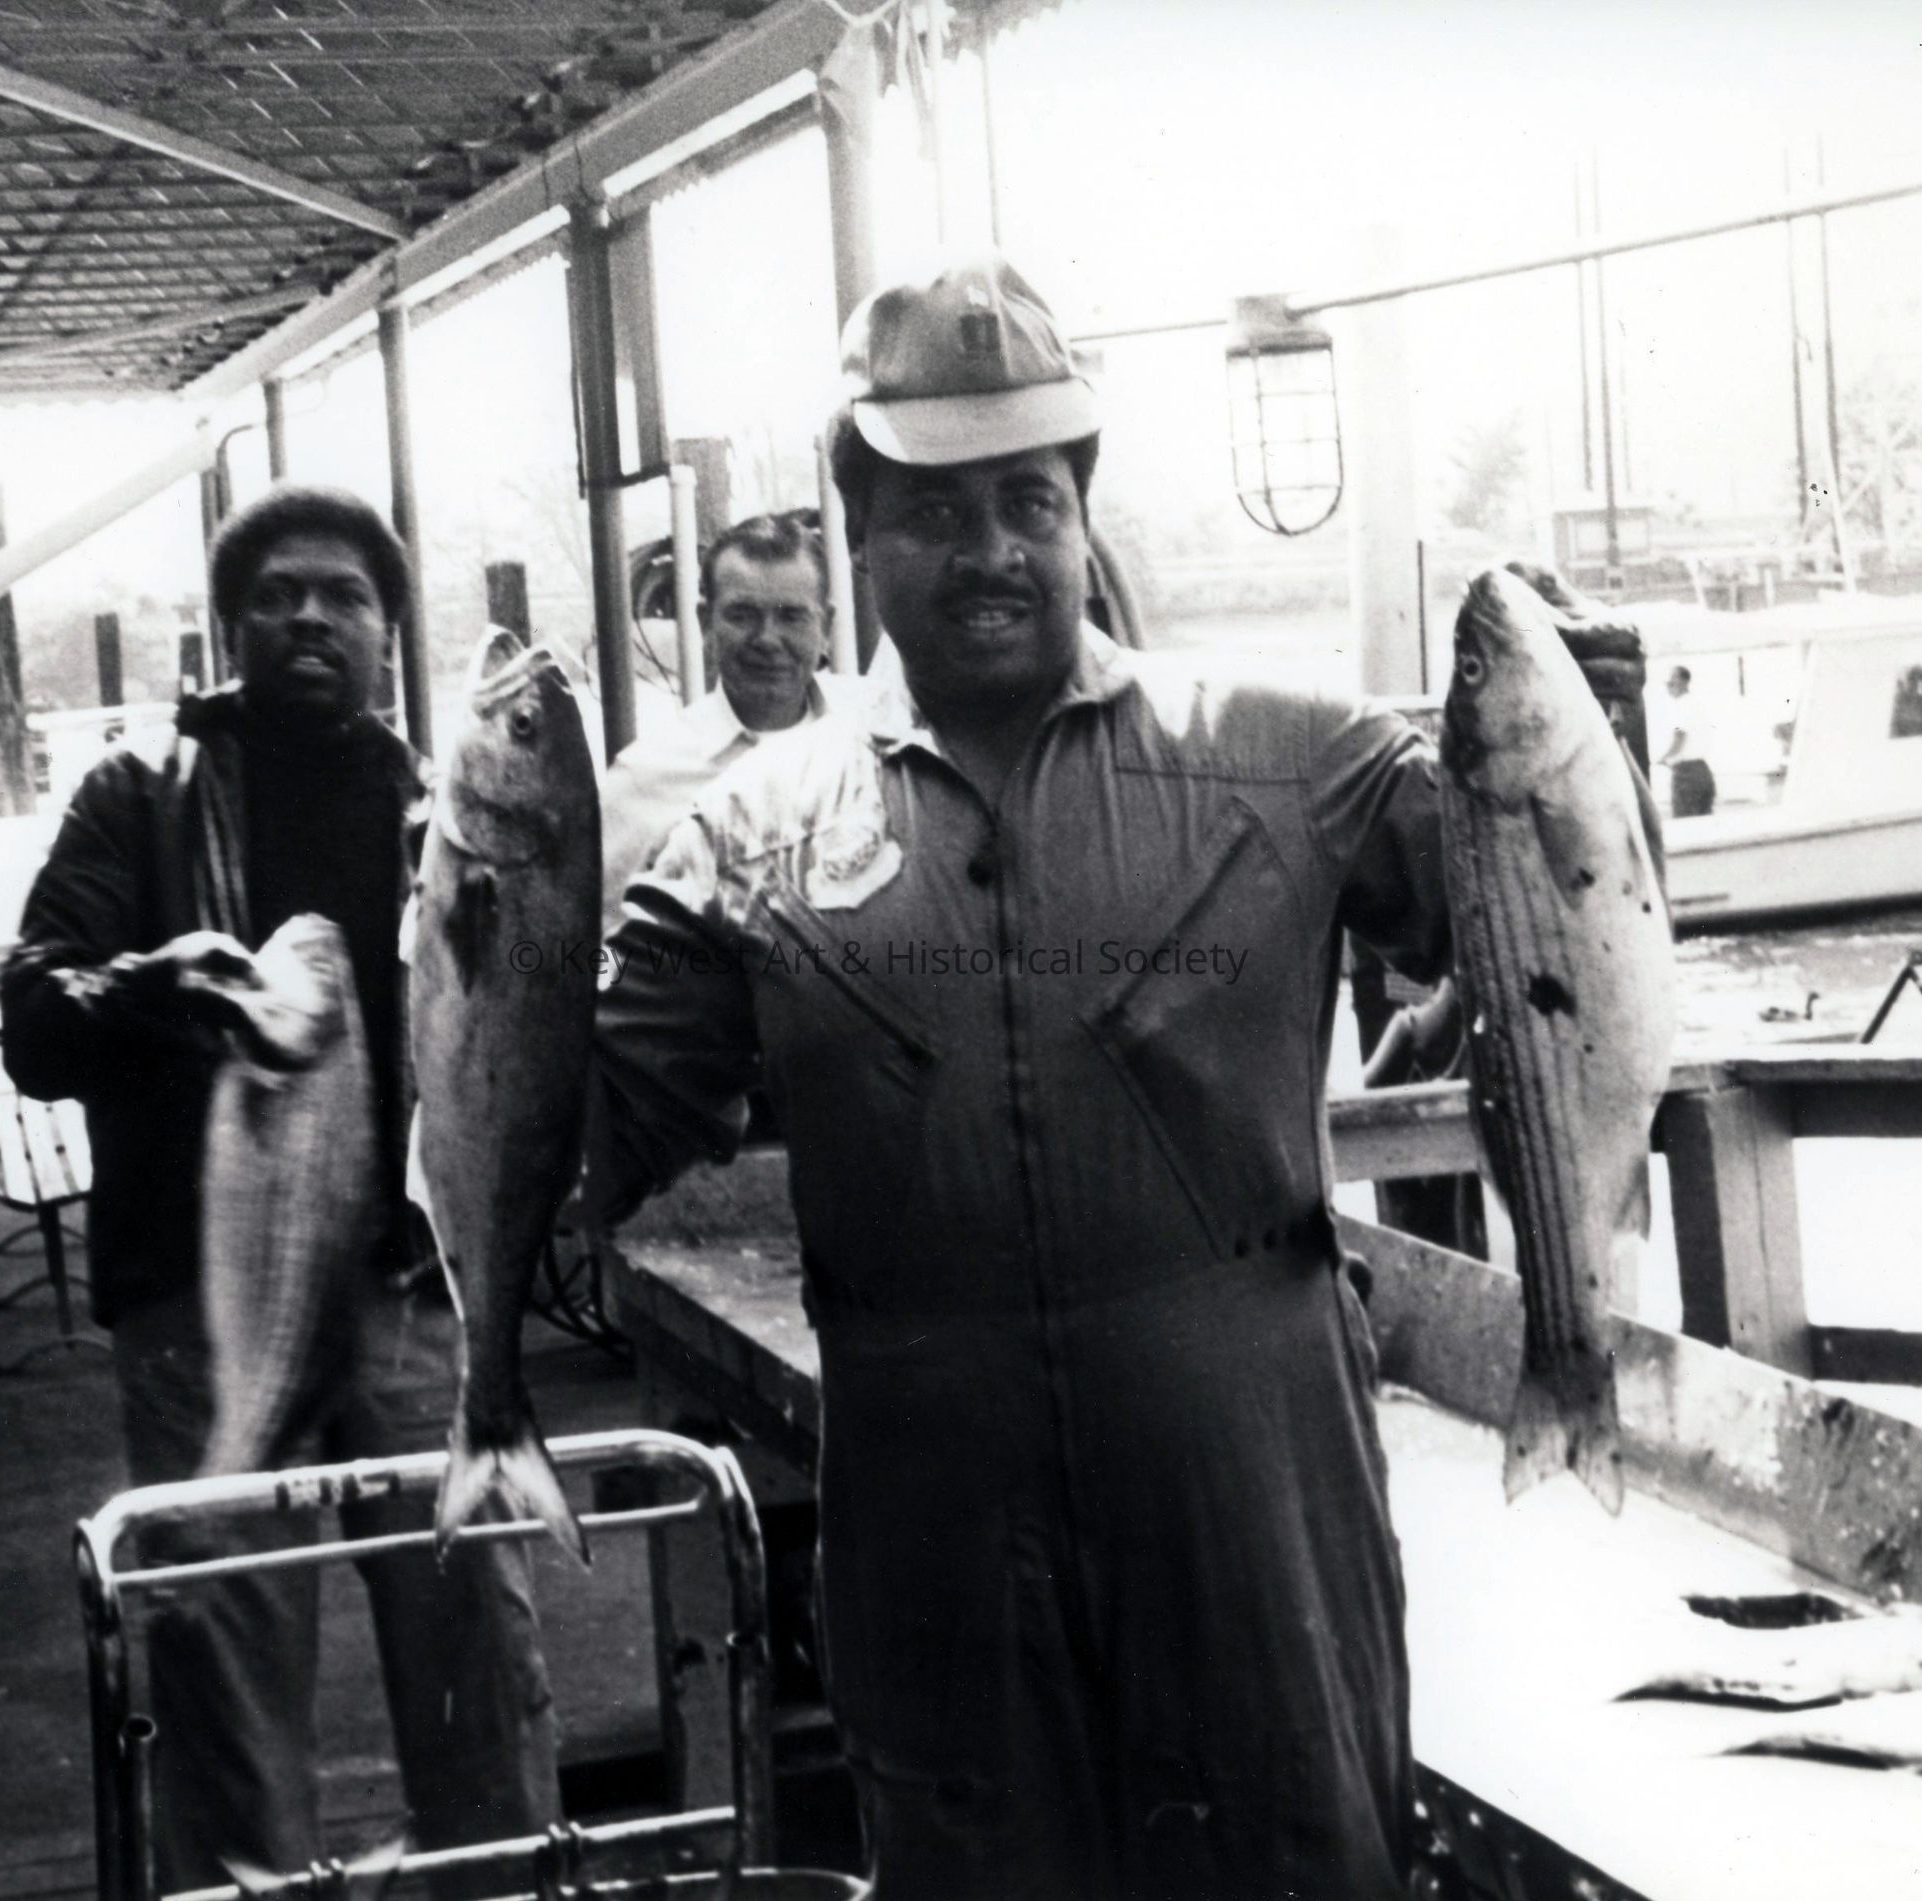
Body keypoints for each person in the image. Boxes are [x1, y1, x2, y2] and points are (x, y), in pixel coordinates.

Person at [586, 254, 1453, 1899]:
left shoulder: (1302, 761)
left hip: (1251, 1466)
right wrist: (480, 972)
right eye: (933, 510)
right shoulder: (745, 839)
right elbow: (590, 1139)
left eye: (1027, 502)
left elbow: (1569, 938)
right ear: (861, 530)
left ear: (1082, 510)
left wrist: (1587, 778)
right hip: (929, 1473)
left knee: (1303, 1851)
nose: (987, 551)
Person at [0, 485, 559, 1890]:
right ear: (229, 624)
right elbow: (33, 1015)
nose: (310, 614)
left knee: (478, 1660)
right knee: (227, 1686)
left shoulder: (452, 817)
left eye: (346, 596)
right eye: (276, 593)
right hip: (208, 1311)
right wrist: (153, 985)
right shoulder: (135, 802)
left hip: (414, 1307)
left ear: (385, 634)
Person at [599, 510, 875, 937]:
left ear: (826, 626)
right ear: (705, 622)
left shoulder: (880, 728)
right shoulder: (641, 780)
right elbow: (599, 951)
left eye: (791, 616)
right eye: (743, 615)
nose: (767, 639)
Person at [1655, 662, 1717, 816]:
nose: (1668, 683)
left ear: (1684, 681)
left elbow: (1679, 736)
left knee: (1685, 825)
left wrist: (1664, 758)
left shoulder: (1680, 706)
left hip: (1686, 775)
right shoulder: (1696, 704)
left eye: (1673, 678)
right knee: (1704, 824)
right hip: (1703, 772)